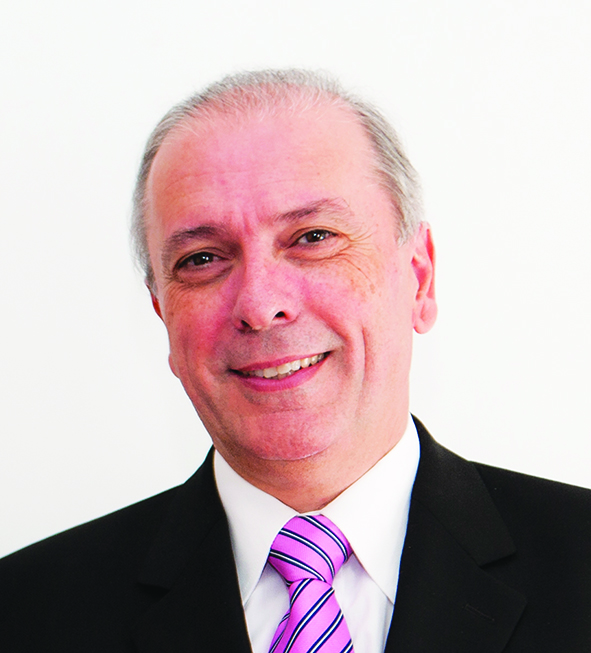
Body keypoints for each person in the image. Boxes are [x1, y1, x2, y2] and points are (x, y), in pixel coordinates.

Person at [1, 69, 590, 653]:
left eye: (313, 237)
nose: (260, 306)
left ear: (419, 276)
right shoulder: (24, 615)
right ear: (163, 315)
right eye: (202, 258)